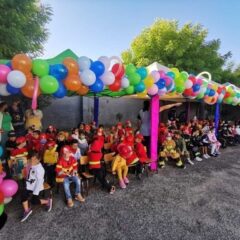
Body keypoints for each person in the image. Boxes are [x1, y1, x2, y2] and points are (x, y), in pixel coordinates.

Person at [20, 151, 52, 222]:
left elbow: (39, 182)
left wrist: (35, 193)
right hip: (29, 185)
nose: (32, 161)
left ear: (39, 159)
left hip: (36, 187)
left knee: (34, 201)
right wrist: (25, 167)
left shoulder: (40, 169)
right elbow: (27, 172)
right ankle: (27, 210)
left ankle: (47, 201)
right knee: (23, 194)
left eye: (34, 159)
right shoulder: (30, 164)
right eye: (31, 159)